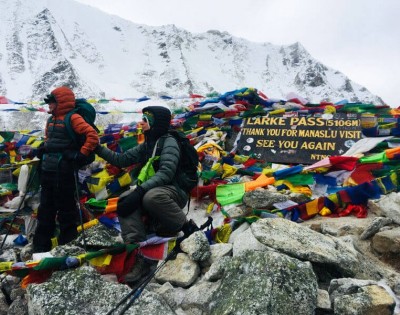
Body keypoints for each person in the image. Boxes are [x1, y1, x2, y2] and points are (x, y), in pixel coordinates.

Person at [95, 105, 191, 283]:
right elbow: (121, 159)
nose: (142, 123)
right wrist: (97, 147)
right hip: (155, 188)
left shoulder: (169, 142)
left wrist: (139, 191)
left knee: (150, 197)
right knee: (124, 201)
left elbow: (166, 174)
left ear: (155, 123)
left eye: (146, 120)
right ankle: (137, 251)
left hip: (174, 191)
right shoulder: (149, 143)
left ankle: (186, 227)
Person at [32, 86, 99, 253]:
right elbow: (50, 139)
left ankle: (67, 247)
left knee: (66, 209)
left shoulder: (73, 118)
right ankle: (41, 248)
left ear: (59, 103)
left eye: (51, 102)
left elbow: (92, 135)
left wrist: (81, 154)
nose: (49, 106)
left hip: (64, 171)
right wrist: (44, 147)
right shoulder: (51, 120)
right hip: (48, 170)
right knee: (45, 209)